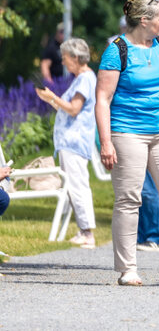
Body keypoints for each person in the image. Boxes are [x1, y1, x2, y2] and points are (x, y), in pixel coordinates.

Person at [95, 0, 159, 286]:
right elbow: (103, 98)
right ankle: (128, 269)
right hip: (127, 132)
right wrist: (106, 141)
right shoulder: (118, 50)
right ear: (144, 20)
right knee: (129, 199)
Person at [36, 38, 98, 249]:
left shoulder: (84, 79)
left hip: (74, 141)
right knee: (73, 186)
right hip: (69, 141)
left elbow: (73, 109)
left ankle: (87, 233)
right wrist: (50, 100)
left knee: (77, 186)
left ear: (75, 58)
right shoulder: (82, 79)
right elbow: (67, 109)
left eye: (64, 58)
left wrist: (53, 96)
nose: (62, 63)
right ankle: (83, 230)